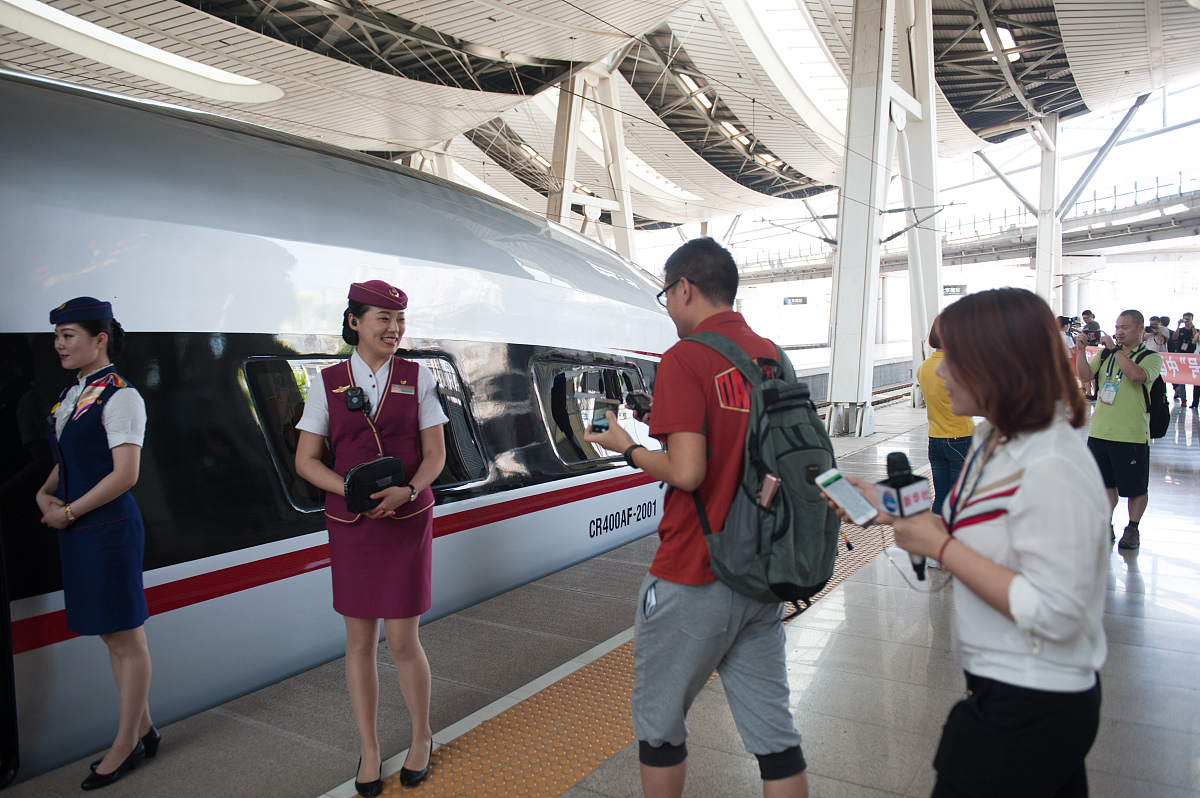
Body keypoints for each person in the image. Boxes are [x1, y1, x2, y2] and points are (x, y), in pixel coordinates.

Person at [828, 288, 1109, 798]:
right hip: (998, 683)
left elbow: (1058, 612)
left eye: (953, 357)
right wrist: (888, 509)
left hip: (1035, 702)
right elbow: (981, 524)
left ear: (997, 363)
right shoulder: (993, 438)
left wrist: (940, 548)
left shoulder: (1054, 464)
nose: (938, 372)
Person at [584, 239, 808, 798]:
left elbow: (686, 472)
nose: (667, 307)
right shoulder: (773, 355)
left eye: (666, 294)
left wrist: (626, 447)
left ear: (684, 288)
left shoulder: (685, 357)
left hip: (693, 570)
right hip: (762, 573)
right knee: (776, 739)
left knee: (659, 728)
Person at [294, 280, 447, 796]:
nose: (394, 329)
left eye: (400, 320)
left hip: (406, 520)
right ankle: (370, 748)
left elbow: (435, 457)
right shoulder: (327, 382)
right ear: (355, 322)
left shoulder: (417, 376)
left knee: (404, 640)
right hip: (353, 525)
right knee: (358, 642)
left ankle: (422, 735)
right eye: (383, 318)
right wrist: (352, 492)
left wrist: (407, 490)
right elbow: (306, 460)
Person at [34, 298, 159, 790]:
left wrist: (66, 511)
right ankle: (144, 729)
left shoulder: (122, 396)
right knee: (113, 636)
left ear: (99, 339)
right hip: (82, 529)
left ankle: (127, 742)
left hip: (106, 530)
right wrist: (45, 490)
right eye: (57, 336)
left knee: (126, 639)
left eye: (68, 334)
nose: (59, 344)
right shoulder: (75, 393)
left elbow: (125, 474)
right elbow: (71, 455)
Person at [1074, 310, 1162, 551]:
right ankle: (1105, 524)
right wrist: (1081, 351)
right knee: (1104, 485)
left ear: (1140, 329)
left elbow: (1136, 375)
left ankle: (1132, 528)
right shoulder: (1104, 355)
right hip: (1101, 432)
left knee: (1135, 487)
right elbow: (1084, 375)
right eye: (1117, 326)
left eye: (1125, 327)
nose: (1119, 331)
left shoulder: (1150, 357)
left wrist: (1115, 350)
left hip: (1131, 434)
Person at [917, 316, 975, 518]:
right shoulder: (957, 367)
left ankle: (936, 541)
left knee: (941, 496)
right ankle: (954, 541)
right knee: (958, 497)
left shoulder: (923, 367)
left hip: (935, 439)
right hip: (960, 436)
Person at [1172, 313, 1197, 407]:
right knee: (1181, 379)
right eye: (1185, 319)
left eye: (1188, 319)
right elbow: (1174, 337)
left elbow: (1195, 338)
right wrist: (1178, 325)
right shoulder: (1181, 330)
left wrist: (1192, 326)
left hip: (1192, 357)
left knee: (1194, 378)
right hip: (1181, 356)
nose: (1186, 322)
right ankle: (1183, 398)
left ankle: (1195, 400)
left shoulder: (1195, 330)